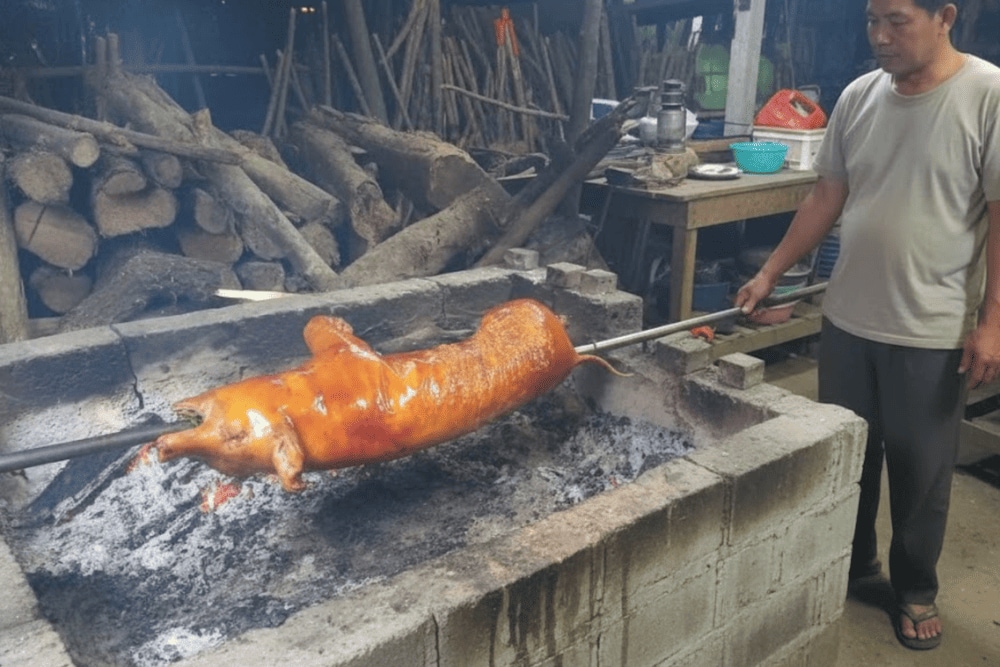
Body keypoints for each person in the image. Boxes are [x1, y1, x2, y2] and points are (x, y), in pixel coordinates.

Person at [735, 0, 1000, 651]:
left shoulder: (987, 94)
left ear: (946, 16)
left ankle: (915, 588)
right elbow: (827, 194)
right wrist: (772, 272)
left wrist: (993, 321)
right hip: (849, 318)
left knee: (921, 466)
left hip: (932, 326)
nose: (879, 37)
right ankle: (850, 563)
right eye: (871, 21)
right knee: (848, 453)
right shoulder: (858, 96)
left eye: (897, 21)